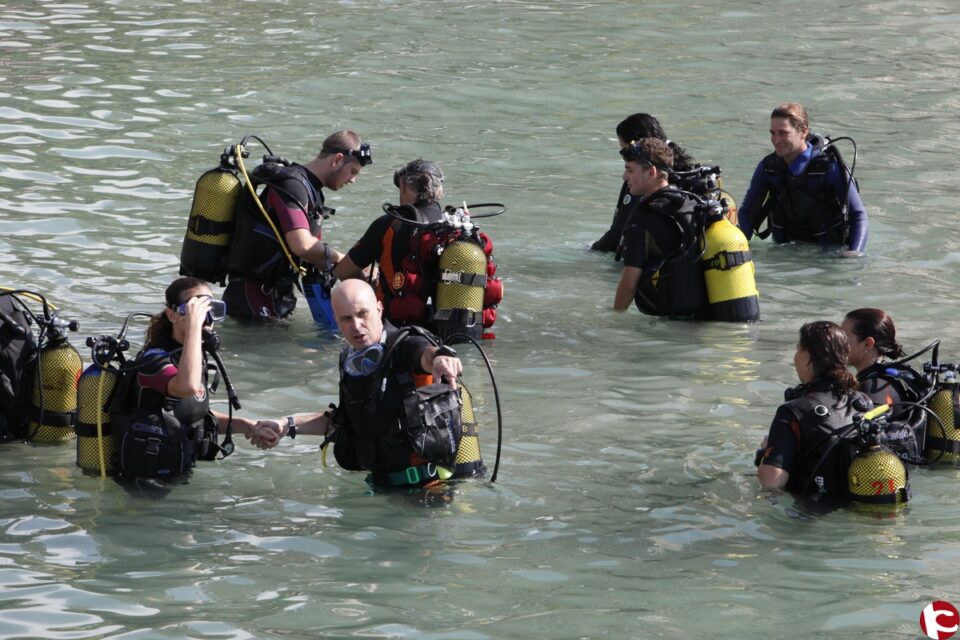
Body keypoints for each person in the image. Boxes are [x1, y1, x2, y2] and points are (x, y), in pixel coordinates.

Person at [248, 279, 483, 488]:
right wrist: (285, 425)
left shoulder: (406, 346)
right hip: (380, 489)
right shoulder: (351, 361)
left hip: (428, 491)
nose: (357, 326)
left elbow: (424, 354)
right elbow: (343, 422)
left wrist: (440, 357)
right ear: (336, 320)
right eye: (346, 318)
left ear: (379, 309)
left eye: (363, 314)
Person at [111, 277, 280, 479]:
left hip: (175, 472)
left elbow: (188, 414)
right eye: (195, 309)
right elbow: (187, 387)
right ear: (172, 315)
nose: (206, 317)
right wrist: (194, 327)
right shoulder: (155, 362)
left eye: (211, 309)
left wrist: (247, 426)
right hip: (144, 483)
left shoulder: (191, 356)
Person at [333, 159, 502, 337]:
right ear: (439, 190)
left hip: (400, 333)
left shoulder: (389, 224)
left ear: (404, 186)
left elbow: (343, 272)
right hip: (456, 332)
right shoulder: (458, 228)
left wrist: (370, 284)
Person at [222, 130, 371, 321]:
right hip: (252, 299)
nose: (352, 180)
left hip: (274, 296)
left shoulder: (311, 190)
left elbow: (315, 256)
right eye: (353, 171)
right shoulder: (292, 186)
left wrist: (356, 276)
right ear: (337, 160)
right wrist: (347, 259)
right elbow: (303, 246)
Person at [756, 321, 873, 504]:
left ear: (807, 357)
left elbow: (772, 482)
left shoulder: (793, 411)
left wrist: (766, 452)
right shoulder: (864, 402)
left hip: (811, 513)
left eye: (797, 349)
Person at [736, 102, 868, 254]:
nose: (776, 140)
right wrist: (739, 248)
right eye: (773, 133)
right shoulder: (768, 167)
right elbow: (747, 212)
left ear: (803, 132)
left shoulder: (829, 166)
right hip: (783, 252)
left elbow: (858, 214)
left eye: (783, 133)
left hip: (829, 255)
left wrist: (854, 253)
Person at [613, 138, 706, 318]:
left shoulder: (643, 218)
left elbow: (629, 284)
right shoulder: (691, 203)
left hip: (671, 323)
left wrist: (614, 320)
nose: (625, 177)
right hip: (702, 315)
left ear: (652, 172)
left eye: (630, 170)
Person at [592, 113, 697, 255]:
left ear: (636, 147)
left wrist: (591, 251)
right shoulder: (686, 173)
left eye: (623, 149)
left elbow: (617, 235)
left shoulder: (643, 180)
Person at [842, 308, 930, 459]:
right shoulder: (893, 377)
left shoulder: (874, 387)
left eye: (844, 338)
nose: (838, 344)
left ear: (868, 344)